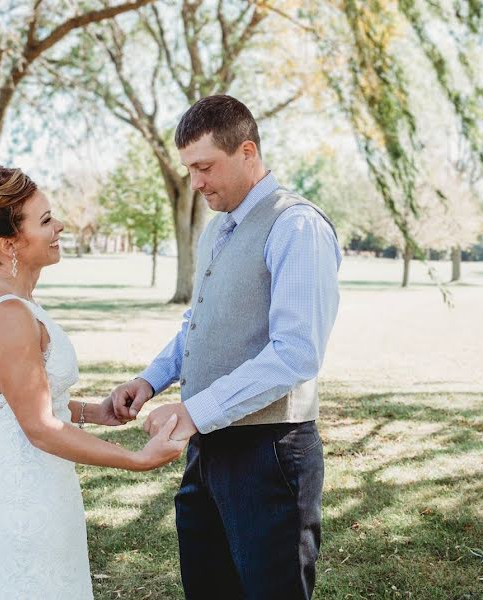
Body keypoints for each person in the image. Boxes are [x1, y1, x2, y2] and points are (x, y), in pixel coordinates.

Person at [107, 95, 342, 600]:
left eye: (205, 167)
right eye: (189, 169)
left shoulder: (296, 225)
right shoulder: (217, 229)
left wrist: (194, 411)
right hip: (207, 449)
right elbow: (200, 324)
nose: (196, 183)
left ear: (248, 151)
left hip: (271, 453)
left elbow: (296, 352)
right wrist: (149, 380)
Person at [0, 164, 186, 599]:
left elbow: (23, 401)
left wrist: (94, 412)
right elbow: (38, 427)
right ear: (9, 242)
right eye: (46, 220)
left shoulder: (6, 298)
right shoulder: (10, 314)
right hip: (26, 495)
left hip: (39, 483)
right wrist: (139, 460)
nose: (60, 227)